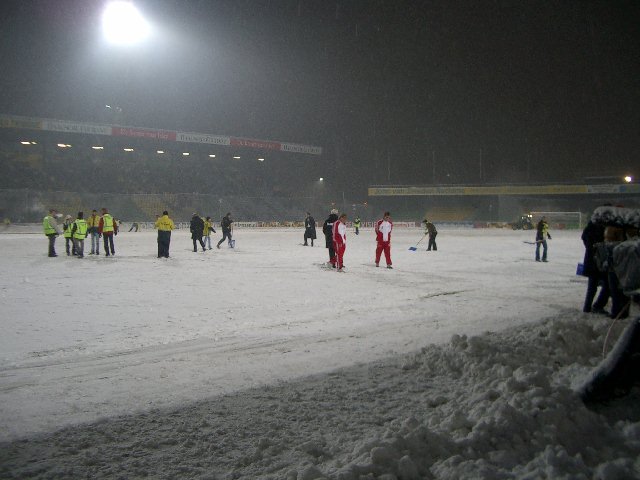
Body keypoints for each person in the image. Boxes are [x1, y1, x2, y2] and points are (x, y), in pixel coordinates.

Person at [581, 219, 610, 314]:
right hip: (598, 261)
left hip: (592, 261)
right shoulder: (602, 228)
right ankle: (596, 306)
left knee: (592, 287)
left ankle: (588, 308)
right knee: (606, 284)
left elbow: (584, 237)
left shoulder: (591, 226)